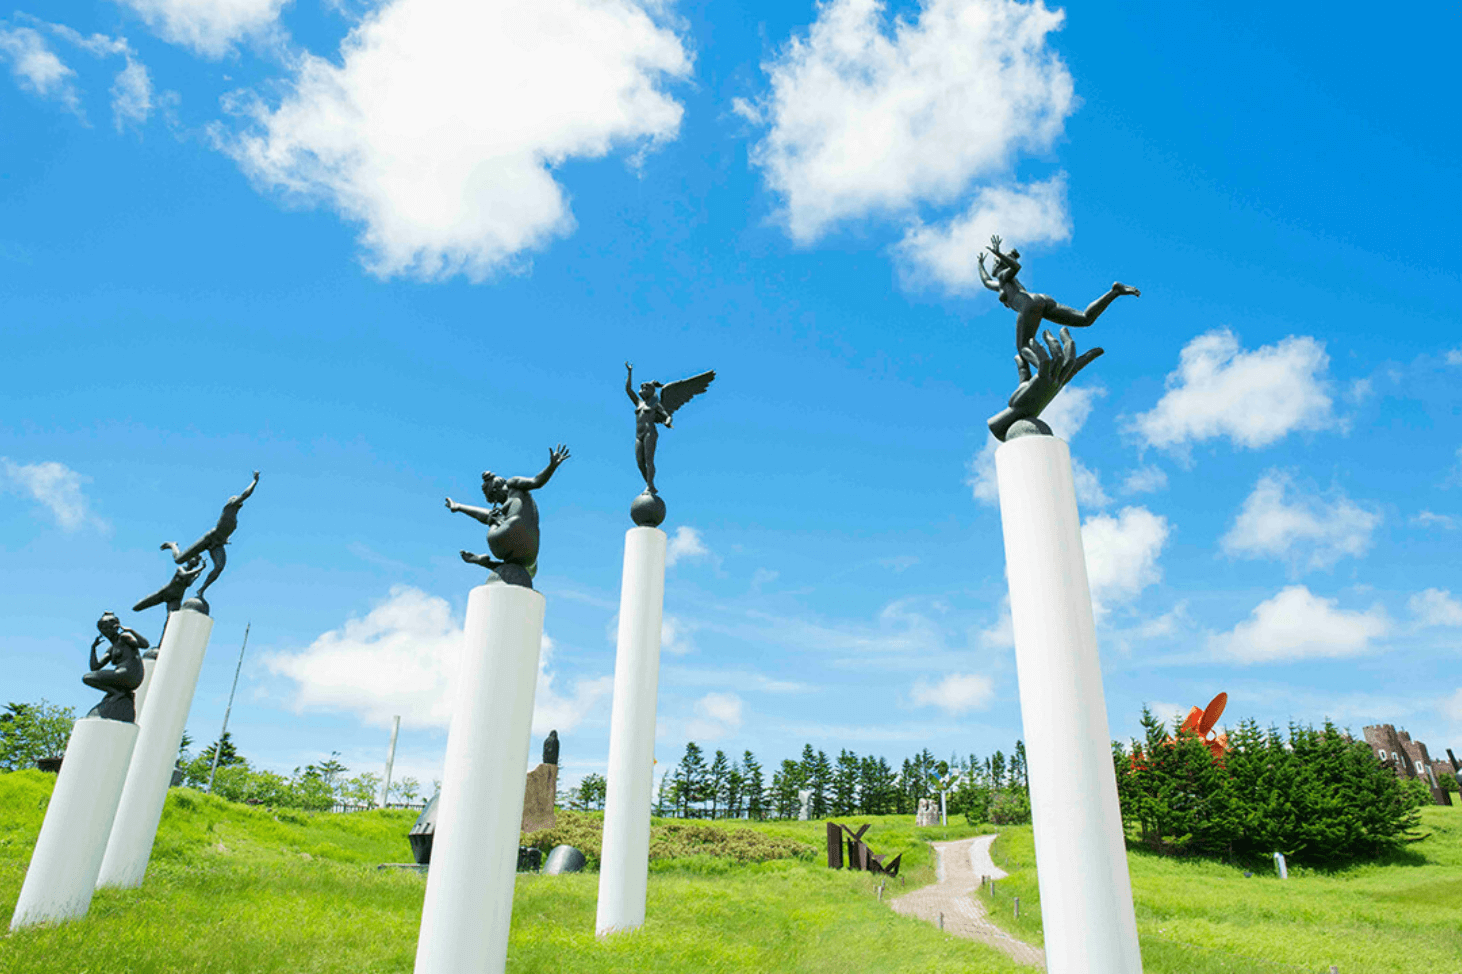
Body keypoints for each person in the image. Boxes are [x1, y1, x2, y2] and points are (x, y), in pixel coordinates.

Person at [977, 235, 1139, 381]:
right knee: (1084, 318)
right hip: (1042, 300)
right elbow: (985, 281)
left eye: (994, 263)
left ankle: (1044, 372)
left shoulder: (1003, 276)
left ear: (999, 264)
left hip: (1028, 304)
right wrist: (980, 264)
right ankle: (1115, 291)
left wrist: (999, 253)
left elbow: (1016, 267)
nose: (992, 268)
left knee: (1023, 347)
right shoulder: (1000, 283)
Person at [445, 445, 570, 586]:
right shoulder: (513, 499)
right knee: (494, 516)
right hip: (528, 546)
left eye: (495, 498)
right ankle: (460, 508)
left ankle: (483, 561)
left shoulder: (513, 484)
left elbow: (537, 481)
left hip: (505, 541)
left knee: (493, 518)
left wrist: (552, 466)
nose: (497, 501)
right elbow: (536, 482)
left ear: (496, 489)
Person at [160, 471, 259, 601]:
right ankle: (173, 545)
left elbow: (225, 530)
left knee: (219, 567)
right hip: (209, 539)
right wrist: (255, 481)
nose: (238, 501)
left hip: (217, 544)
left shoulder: (235, 519)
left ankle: (201, 590)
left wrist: (225, 540)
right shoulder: (229, 507)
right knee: (179, 560)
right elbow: (246, 494)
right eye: (235, 499)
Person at [83, 612, 148, 721]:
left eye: (110, 627)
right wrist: (93, 648)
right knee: (88, 678)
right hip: (121, 675)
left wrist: (130, 631)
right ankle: (117, 693)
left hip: (130, 674)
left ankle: (117, 693)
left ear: (116, 627)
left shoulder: (124, 638)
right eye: (104, 628)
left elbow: (145, 644)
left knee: (88, 677)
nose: (108, 631)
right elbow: (95, 667)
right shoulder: (111, 649)